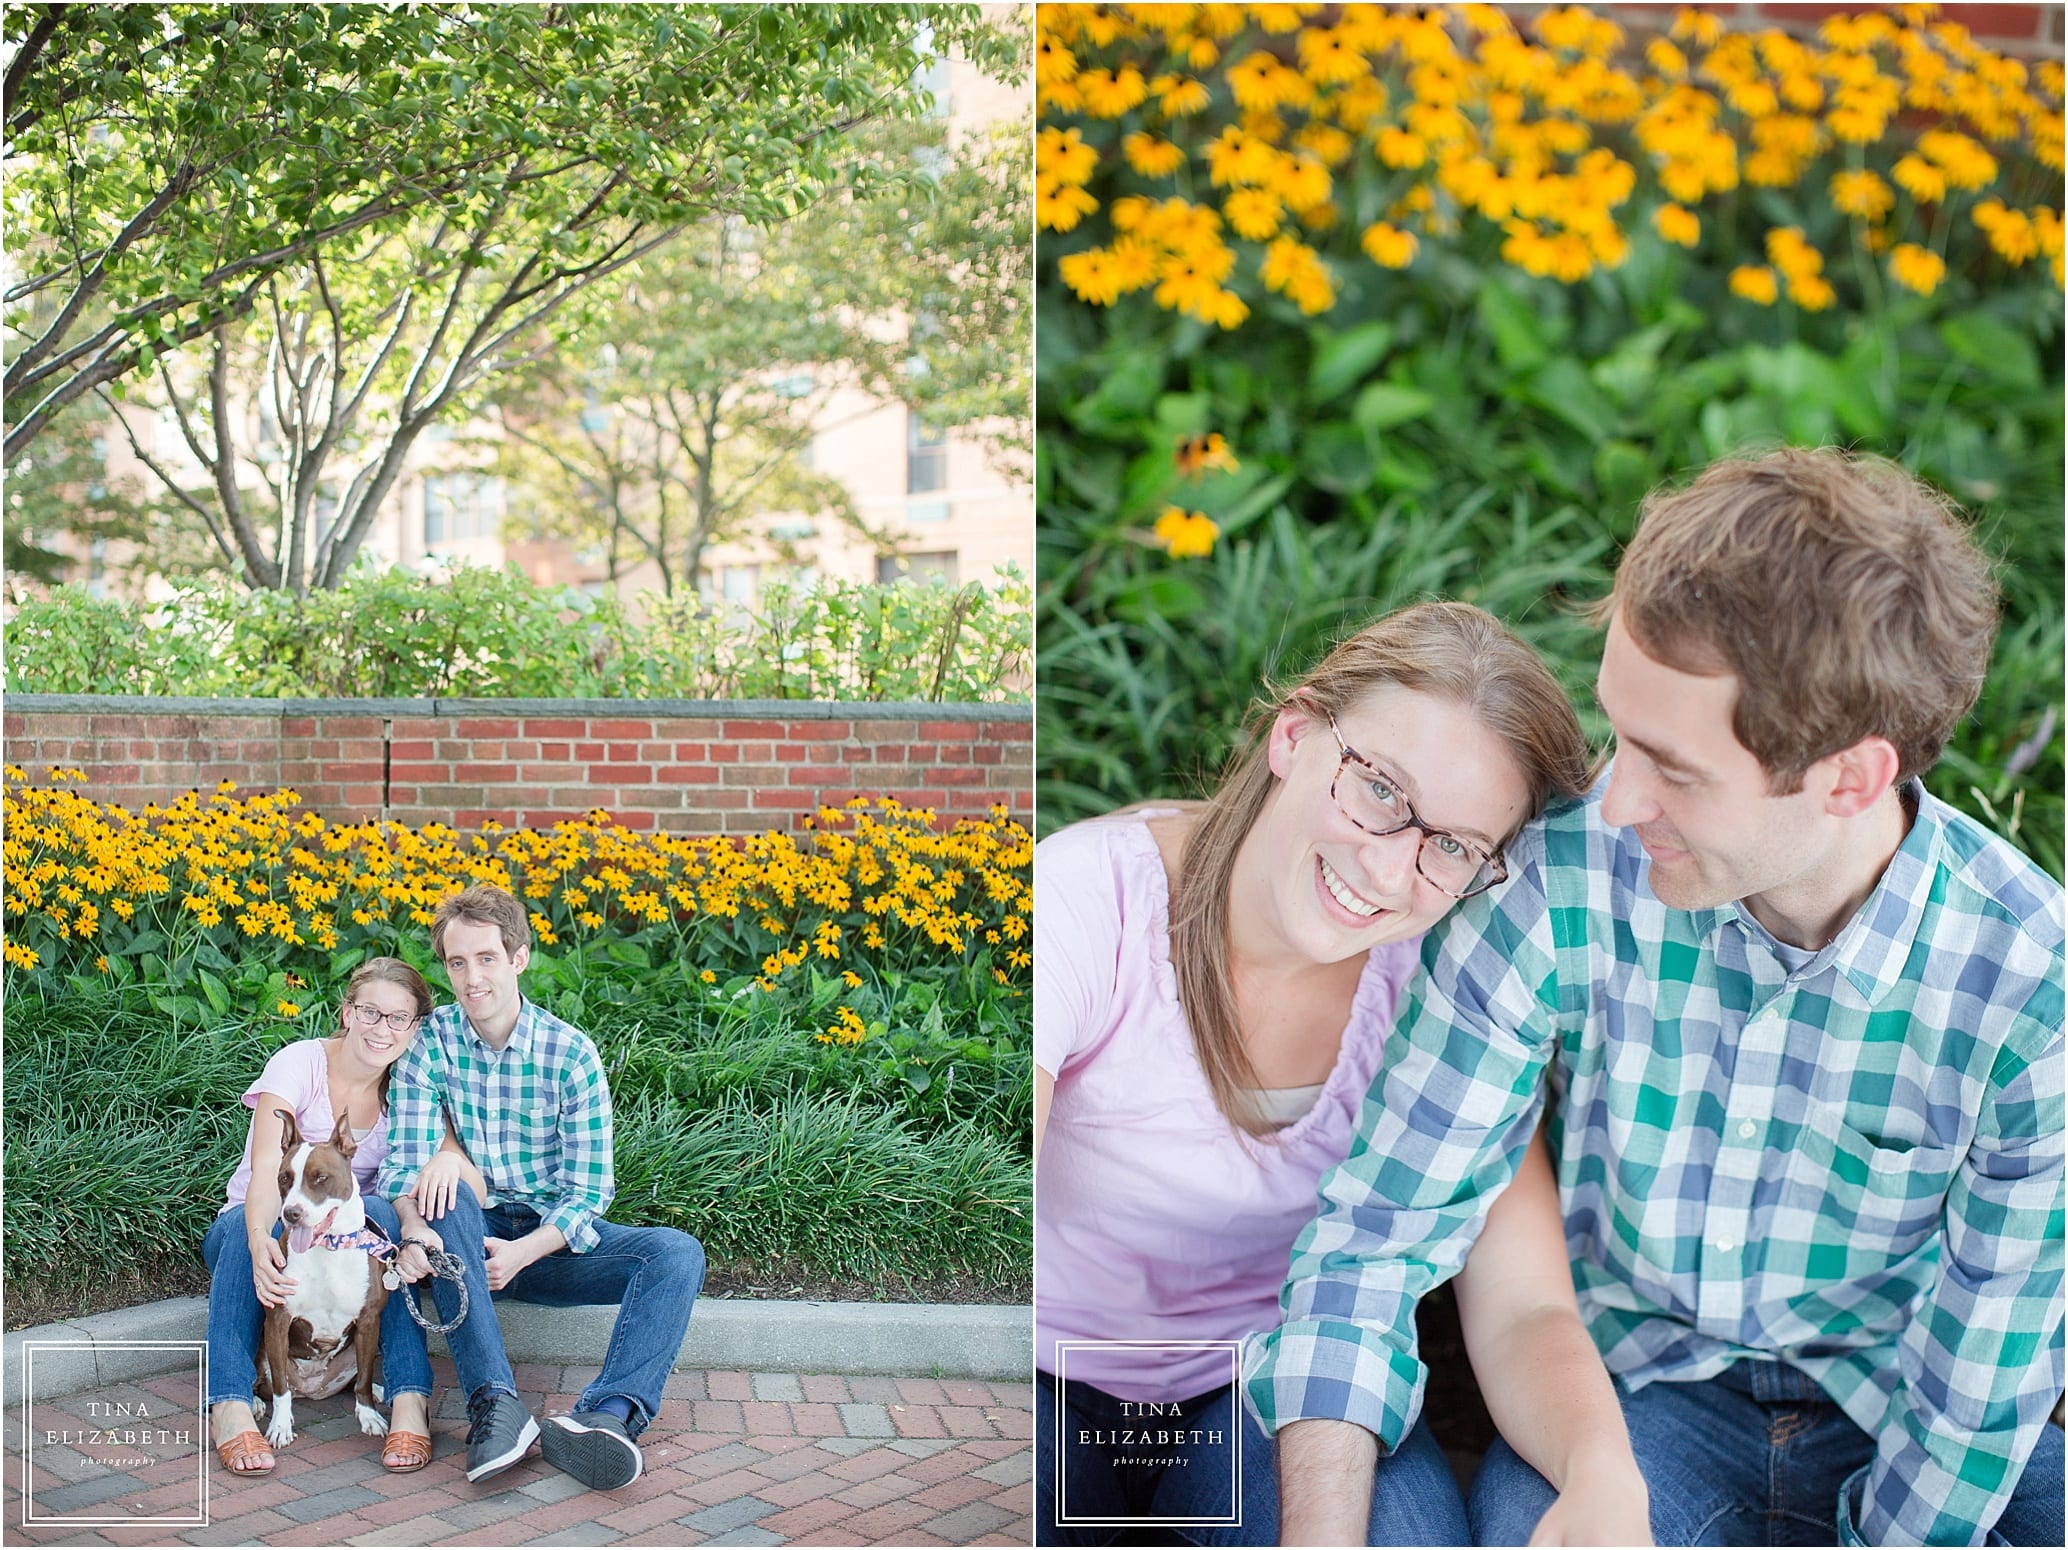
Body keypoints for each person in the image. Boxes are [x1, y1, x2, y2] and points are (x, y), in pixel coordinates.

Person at [1249, 449, 2065, 1546]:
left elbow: (1977, 1385)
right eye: (1616, 730)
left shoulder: (2027, 988)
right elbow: (1374, 1242)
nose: (1612, 798)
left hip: (1913, 1422)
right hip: (1642, 1417)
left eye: (1673, 767)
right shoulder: (1557, 882)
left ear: (1848, 779)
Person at [1035, 601, 1651, 1545]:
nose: (1388, 865)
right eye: (1379, 790)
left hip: (1267, 1386)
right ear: (1294, 736)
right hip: (1039, 1372)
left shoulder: (1450, 990)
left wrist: (1601, 1474)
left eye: (1450, 846)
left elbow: (1524, 1304)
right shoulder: (1088, 899)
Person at [376, 883, 705, 1492]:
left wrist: (526, 1252)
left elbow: (588, 1192)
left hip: (548, 1246)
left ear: (519, 958)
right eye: (456, 962)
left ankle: (608, 1417)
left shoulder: (570, 1054)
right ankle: (497, 1407)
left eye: (486, 959)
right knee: (444, 1195)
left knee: (676, 1253)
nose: (472, 978)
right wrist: (415, 1225)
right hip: (461, 1241)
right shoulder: (429, 1044)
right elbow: (404, 1168)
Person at [204, 957, 482, 1477]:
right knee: (240, 1230)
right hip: (259, 1222)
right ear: (347, 1012)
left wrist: (447, 1157)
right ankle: (228, 1403)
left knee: (382, 1212)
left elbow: (470, 1178)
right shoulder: (299, 1063)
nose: (383, 1029)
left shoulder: (410, 1089)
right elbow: (266, 1168)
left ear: (414, 1027)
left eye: (398, 1018)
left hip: (347, 1250)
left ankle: (407, 1398)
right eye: (370, 1012)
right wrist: (263, 1234)